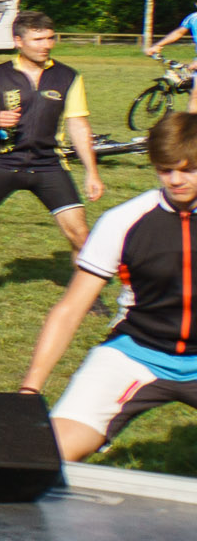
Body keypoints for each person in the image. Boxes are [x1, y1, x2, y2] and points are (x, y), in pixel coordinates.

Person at [14, 111, 197, 464]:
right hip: (136, 354)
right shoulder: (124, 221)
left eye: (188, 169)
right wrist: (30, 388)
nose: (175, 180)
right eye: (165, 169)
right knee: (47, 455)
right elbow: (70, 309)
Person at [0, 11, 103, 264]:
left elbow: (78, 125)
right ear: (18, 41)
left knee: (80, 236)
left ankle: (91, 300)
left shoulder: (68, 77)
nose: (46, 45)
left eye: (50, 39)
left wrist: (92, 172)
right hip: (2, 161)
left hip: (49, 163)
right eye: (38, 40)